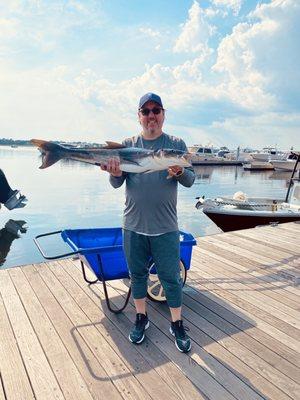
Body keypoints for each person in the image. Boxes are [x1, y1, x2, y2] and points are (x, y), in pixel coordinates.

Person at [101, 93, 195, 353]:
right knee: (137, 276)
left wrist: (179, 170)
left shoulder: (175, 144)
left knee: (171, 278)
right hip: (133, 224)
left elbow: (190, 180)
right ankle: (141, 317)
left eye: (156, 110)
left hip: (165, 226)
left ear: (163, 114)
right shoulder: (128, 144)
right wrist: (114, 173)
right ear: (139, 116)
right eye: (146, 111)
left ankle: (177, 323)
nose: (151, 115)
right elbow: (117, 182)